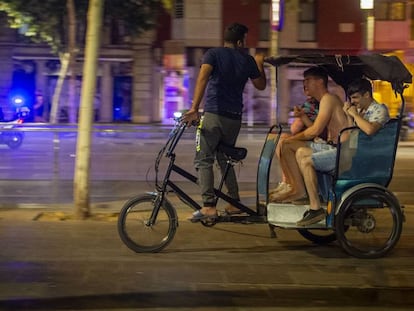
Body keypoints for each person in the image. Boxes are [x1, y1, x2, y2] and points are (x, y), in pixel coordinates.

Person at [182, 22, 267, 222]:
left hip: (214, 114)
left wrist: (194, 108)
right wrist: (260, 64)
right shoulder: (247, 60)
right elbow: (261, 85)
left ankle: (209, 206)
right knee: (224, 159)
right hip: (234, 119)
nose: (245, 44)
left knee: (203, 159)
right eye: (244, 41)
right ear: (239, 41)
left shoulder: (213, 54)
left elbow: (202, 78)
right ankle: (233, 201)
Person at [293, 77, 390, 226]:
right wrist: (351, 117)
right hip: (348, 152)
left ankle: (315, 208)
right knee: (301, 152)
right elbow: (351, 135)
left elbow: (370, 130)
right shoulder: (360, 110)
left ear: (367, 95)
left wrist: (355, 115)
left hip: (359, 158)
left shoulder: (380, 109)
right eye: (351, 98)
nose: (354, 101)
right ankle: (316, 196)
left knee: (307, 162)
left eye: (356, 97)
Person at [270, 66, 348, 223]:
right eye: (303, 80)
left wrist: (292, 139)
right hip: (332, 147)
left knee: (294, 149)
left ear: (320, 82)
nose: (304, 84)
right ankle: (297, 189)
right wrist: (303, 117)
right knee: (294, 149)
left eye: (308, 80)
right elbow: (316, 130)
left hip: (341, 152)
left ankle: (315, 207)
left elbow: (314, 131)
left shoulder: (328, 99)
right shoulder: (324, 101)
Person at [270, 90, 320, 198]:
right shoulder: (309, 103)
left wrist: (301, 117)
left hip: (318, 140)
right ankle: (288, 182)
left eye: (308, 80)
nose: (305, 86)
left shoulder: (322, 102)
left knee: (286, 143)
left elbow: (305, 129)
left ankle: (295, 187)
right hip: (312, 138)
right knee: (283, 140)